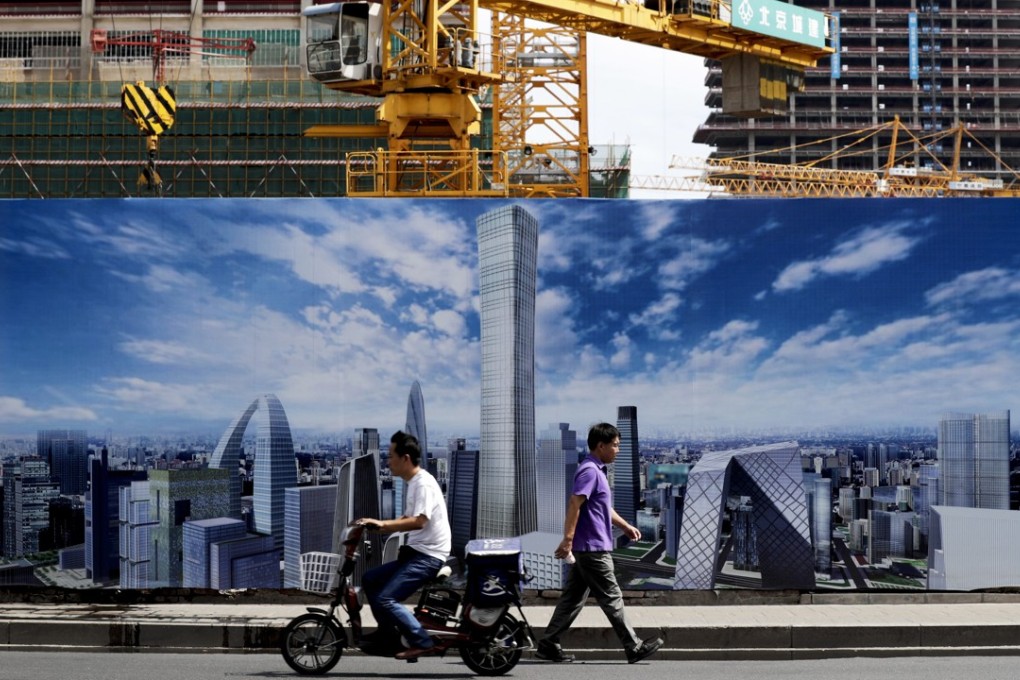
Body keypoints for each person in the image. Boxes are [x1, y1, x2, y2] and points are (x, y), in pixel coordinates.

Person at [535, 422, 663, 664]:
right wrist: (568, 539)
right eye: (614, 446)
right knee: (612, 596)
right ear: (600, 445)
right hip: (592, 548)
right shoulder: (590, 471)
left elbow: (602, 506)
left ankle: (548, 643)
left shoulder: (598, 470)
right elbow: (575, 504)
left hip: (589, 548)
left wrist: (624, 526)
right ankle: (633, 646)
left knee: (572, 599)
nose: (618, 450)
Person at [354, 431, 452, 661]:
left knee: (387, 598)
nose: (388, 461)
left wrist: (384, 524)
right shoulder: (414, 484)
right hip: (416, 554)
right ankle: (388, 635)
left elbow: (420, 521)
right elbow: (405, 520)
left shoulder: (424, 484)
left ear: (405, 458)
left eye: (390, 456)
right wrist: (376, 525)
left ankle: (422, 641)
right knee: (370, 579)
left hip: (428, 556)